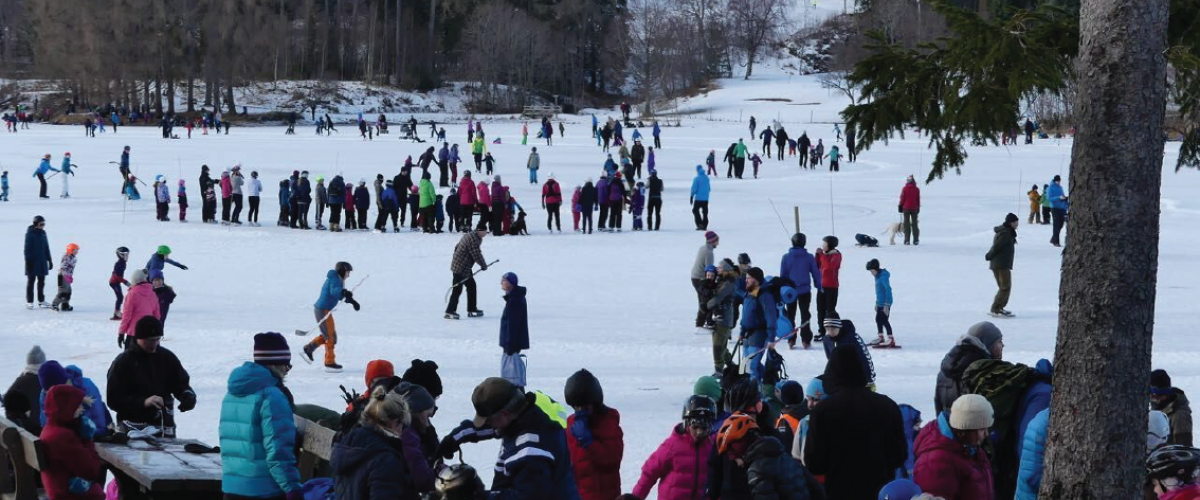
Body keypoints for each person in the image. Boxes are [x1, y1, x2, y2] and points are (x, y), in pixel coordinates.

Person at [441, 377, 582, 499]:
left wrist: (481, 497)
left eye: (488, 420)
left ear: (505, 413)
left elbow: (528, 497)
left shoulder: (531, 450)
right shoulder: (525, 412)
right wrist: (455, 437)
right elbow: (492, 427)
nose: (488, 425)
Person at [804, 344, 907, 500]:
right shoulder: (887, 406)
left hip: (839, 492)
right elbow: (899, 456)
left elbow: (814, 463)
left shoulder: (823, 411)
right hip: (880, 492)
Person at [219, 333, 304, 500]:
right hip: (263, 490)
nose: (287, 369)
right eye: (286, 364)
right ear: (273, 364)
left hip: (232, 488)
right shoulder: (272, 396)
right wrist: (292, 488)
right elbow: (278, 449)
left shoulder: (232, 393)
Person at [106, 316, 196, 434]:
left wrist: (187, 395)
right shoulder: (123, 362)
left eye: (157, 339)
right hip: (132, 429)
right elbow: (113, 399)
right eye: (149, 340)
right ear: (138, 338)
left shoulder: (166, 357)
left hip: (164, 426)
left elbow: (180, 383)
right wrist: (143, 402)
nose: (153, 344)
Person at [332, 386, 418, 500]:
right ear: (394, 423)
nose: (403, 431)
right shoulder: (385, 459)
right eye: (403, 426)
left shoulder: (349, 443)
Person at [715, 413, 825, 500]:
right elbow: (817, 490)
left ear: (743, 445)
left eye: (732, 452)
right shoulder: (784, 456)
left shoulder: (757, 471)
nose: (732, 459)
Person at [913, 394, 995, 500]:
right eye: (982, 429)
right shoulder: (936, 463)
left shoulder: (967, 446)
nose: (986, 434)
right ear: (963, 430)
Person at [38, 385, 107, 500]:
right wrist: (87, 439)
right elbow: (92, 471)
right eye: (76, 405)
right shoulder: (62, 437)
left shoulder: (49, 429)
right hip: (69, 494)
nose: (81, 409)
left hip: (58, 489)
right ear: (66, 407)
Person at [564, 369, 624, 500]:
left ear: (595, 403)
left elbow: (613, 461)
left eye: (585, 408)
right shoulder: (571, 424)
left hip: (604, 494)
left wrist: (589, 443)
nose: (580, 412)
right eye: (576, 407)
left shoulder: (608, 423)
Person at [934, 322, 1004, 414]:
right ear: (988, 343)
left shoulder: (945, 371)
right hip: (978, 427)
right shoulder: (984, 371)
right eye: (999, 341)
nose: (1002, 345)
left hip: (950, 426)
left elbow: (939, 408)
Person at [303, 262, 359, 372]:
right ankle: (329, 362)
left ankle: (309, 348)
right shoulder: (335, 279)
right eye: (347, 272)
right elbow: (335, 291)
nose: (348, 275)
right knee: (330, 337)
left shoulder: (338, 280)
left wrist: (351, 301)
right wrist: (343, 291)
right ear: (342, 271)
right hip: (322, 310)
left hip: (324, 310)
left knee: (329, 335)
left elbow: (339, 295)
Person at [739, 267, 780, 382]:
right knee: (746, 364)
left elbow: (770, 317)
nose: (746, 280)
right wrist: (742, 331)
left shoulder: (764, 295)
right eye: (746, 278)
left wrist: (771, 337)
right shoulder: (749, 293)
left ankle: (755, 394)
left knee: (752, 366)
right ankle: (762, 384)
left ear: (756, 280)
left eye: (749, 278)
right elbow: (745, 315)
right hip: (748, 335)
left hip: (759, 335)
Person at [781, 233, 822, 348]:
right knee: (805, 314)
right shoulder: (808, 257)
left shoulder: (786, 257)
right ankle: (806, 339)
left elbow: (783, 276)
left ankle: (791, 339)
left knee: (790, 314)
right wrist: (818, 285)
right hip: (804, 290)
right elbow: (815, 272)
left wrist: (782, 290)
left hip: (789, 291)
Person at [446, 225, 489, 320]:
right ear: (480, 231)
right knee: (457, 289)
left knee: (471, 286)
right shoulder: (473, 239)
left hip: (463, 267)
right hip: (460, 267)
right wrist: (483, 265)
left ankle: (472, 309)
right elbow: (476, 254)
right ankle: (450, 311)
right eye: (485, 232)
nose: (486, 234)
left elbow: (457, 246)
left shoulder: (470, 235)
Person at [4, 346, 46, 435]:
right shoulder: (42, 382)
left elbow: (7, 401)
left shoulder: (20, 380)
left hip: (21, 433)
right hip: (36, 433)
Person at [498, 272, 530, 388]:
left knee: (512, 376)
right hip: (511, 343)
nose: (501, 283)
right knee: (512, 373)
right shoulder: (514, 298)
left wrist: (510, 344)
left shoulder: (515, 300)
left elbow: (513, 324)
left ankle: (516, 394)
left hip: (511, 344)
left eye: (504, 281)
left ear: (510, 283)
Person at [985, 213, 1018, 318]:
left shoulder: (1008, 232)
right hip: (1001, 264)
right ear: (1011, 223)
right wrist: (989, 255)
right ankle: (996, 309)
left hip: (1001, 263)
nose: (1017, 224)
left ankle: (999, 307)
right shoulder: (1006, 233)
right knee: (1005, 287)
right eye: (1016, 222)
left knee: (1003, 287)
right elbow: (997, 247)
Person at [1152, 369, 1193, 446]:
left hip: (1168, 456)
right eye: (1153, 395)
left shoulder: (1179, 416)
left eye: (1162, 394)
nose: (1157, 399)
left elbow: (1184, 448)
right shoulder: (1156, 409)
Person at [691, 232, 719, 327]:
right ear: (713, 241)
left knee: (705, 299)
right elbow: (709, 269)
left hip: (695, 277)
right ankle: (702, 323)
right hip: (700, 278)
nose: (718, 243)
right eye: (717, 241)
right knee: (706, 299)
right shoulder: (709, 252)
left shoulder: (703, 248)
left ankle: (705, 321)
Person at [24, 215, 52, 309]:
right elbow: (27, 250)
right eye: (41, 224)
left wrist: (49, 260)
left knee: (41, 282)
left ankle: (41, 300)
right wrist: (28, 261)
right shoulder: (29, 234)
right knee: (31, 282)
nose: (43, 226)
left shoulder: (43, 233)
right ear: (36, 224)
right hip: (32, 262)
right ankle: (30, 301)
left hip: (42, 262)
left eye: (44, 224)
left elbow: (46, 248)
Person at [866, 259, 895, 347]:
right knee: (878, 320)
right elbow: (879, 292)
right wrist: (876, 303)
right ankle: (881, 337)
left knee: (884, 320)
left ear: (875, 269)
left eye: (871, 271)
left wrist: (887, 304)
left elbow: (888, 290)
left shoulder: (883, 277)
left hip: (885, 304)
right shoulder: (877, 277)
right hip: (879, 304)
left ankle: (891, 339)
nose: (871, 273)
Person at [50, 243, 79, 312]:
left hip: (67, 276)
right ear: (71, 250)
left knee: (68, 291)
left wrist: (70, 276)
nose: (77, 252)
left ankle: (65, 305)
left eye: (77, 250)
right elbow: (63, 268)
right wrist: (66, 275)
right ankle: (54, 304)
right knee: (63, 291)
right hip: (62, 276)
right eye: (75, 250)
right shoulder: (66, 256)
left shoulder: (73, 257)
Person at [1046, 175, 1068, 247]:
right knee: (1056, 225)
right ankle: (1056, 242)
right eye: (1057, 181)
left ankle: (1053, 239)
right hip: (1054, 208)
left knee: (1061, 225)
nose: (1058, 182)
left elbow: (1063, 196)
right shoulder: (1050, 188)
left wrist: (1065, 200)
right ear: (1054, 181)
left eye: (1059, 181)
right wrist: (1059, 197)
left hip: (1062, 208)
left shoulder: (1060, 187)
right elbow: (1049, 198)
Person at [899, 175, 921, 245]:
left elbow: (902, 198)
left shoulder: (904, 188)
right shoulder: (917, 189)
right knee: (915, 224)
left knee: (907, 224)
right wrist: (918, 208)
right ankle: (916, 240)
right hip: (914, 208)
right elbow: (918, 199)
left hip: (906, 208)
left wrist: (900, 205)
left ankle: (907, 240)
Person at [690, 165, 711, 230]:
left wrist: (691, 196)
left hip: (698, 199)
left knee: (695, 210)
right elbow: (709, 188)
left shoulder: (696, 178)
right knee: (705, 212)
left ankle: (699, 224)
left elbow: (694, 189)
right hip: (706, 199)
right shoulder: (707, 178)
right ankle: (705, 225)